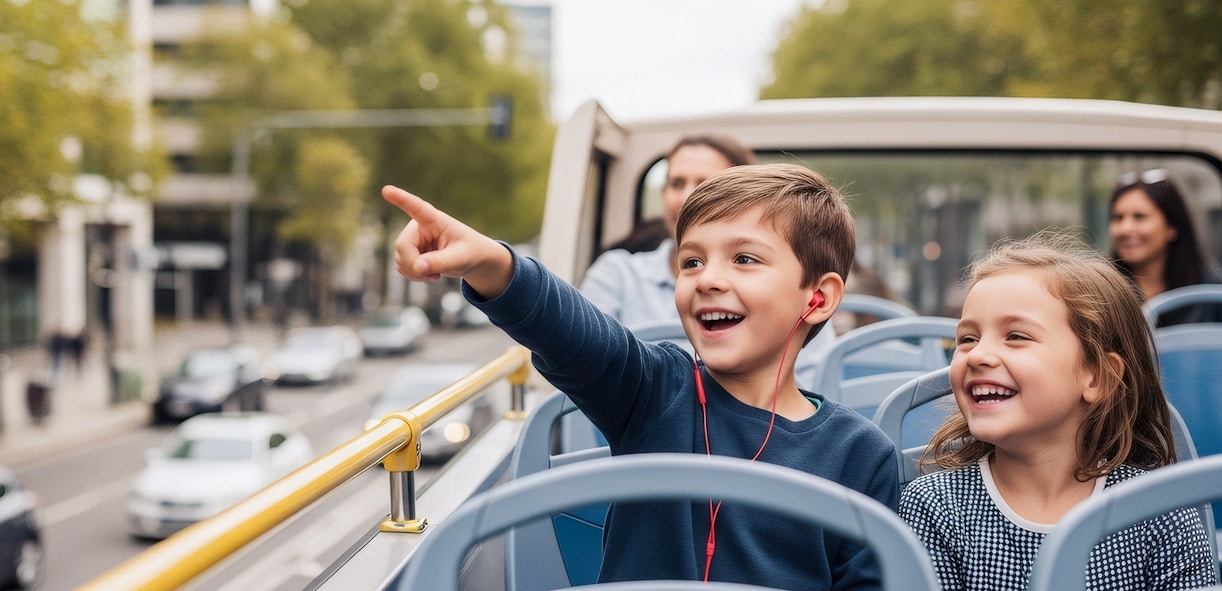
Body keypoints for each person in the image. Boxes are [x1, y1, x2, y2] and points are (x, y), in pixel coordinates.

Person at [382, 163, 897, 590]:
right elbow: (571, 330)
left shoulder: (861, 454)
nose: (709, 279)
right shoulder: (655, 392)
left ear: (818, 298)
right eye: (691, 261)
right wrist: (493, 263)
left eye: (744, 259)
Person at [898, 232, 1217, 590]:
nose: (979, 355)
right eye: (967, 339)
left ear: (1097, 376)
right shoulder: (935, 505)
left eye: (1016, 336)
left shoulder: (1160, 511)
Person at [579, 135, 839, 358]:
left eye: (706, 185)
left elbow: (810, 381)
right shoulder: (617, 273)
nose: (686, 197)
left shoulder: (792, 290)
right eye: (676, 183)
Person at [1109, 169, 1222, 325]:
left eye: (1140, 217)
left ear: (1172, 226)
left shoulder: (1209, 289)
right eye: (1118, 218)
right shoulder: (1102, 289)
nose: (1125, 229)